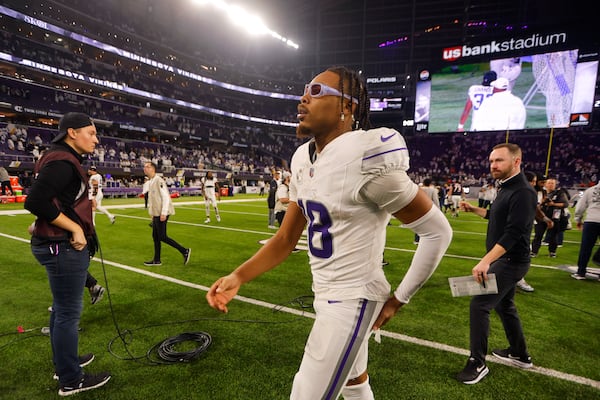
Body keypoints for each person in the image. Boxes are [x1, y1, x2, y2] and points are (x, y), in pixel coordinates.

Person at [206, 66, 452, 400]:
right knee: (355, 383)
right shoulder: (301, 158)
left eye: (318, 91)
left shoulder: (366, 156)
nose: (304, 97)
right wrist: (239, 276)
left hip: (353, 298)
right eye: (306, 89)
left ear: (347, 108)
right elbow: (285, 239)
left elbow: (437, 232)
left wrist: (398, 299)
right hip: (324, 292)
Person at [24, 112, 111, 395]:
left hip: (53, 242)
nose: (96, 139)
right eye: (91, 133)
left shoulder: (57, 156)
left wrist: (45, 221)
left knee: (61, 310)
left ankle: (64, 363)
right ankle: (71, 379)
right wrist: (74, 228)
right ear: (72, 133)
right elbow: (35, 200)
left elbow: (51, 201)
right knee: (67, 314)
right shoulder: (63, 160)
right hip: (62, 246)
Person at [456, 143, 536, 385]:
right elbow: (495, 216)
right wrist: (473, 209)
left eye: (499, 160)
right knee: (505, 306)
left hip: (510, 261)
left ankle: (477, 363)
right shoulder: (506, 187)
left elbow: (513, 233)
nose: (493, 165)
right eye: (491, 160)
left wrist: (485, 261)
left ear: (516, 161)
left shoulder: (523, 191)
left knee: (479, 305)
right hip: (505, 260)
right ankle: (519, 353)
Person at [143, 161, 191, 266]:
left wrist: (163, 212)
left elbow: (165, 197)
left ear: (153, 169)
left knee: (162, 236)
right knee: (155, 236)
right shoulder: (151, 181)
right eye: (144, 167)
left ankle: (184, 251)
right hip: (157, 213)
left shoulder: (158, 180)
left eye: (147, 167)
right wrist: (152, 213)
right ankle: (157, 260)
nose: (144, 168)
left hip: (161, 212)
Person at [516, 171, 554, 292]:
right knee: (521, 255)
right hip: (516, 227)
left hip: (523, 225)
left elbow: (535, 208)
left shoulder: (534, 192)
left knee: (518, 254)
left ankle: (512, 280)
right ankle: (517, 279)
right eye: (538, 181)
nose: (542, 184)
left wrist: (544, 218)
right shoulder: (523, 191)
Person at [532, 177, 569, 258]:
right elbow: (535, 203)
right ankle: (534, 252)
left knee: (553, 236)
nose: (550, 185)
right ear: (545, 184)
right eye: (549, 183)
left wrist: (553, 204)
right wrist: (542, 202)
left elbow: (565, 204)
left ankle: (552, 252)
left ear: (555, 185)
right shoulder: (541, 192)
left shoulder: (560, 193)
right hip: (541, 217)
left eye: (552, 183)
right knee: (538, 235)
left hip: (554, 217)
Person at [572, 183, 600, 280]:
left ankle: (581, 272)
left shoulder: (590, 190)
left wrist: (578, 220)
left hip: (591, 221)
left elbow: (580, 207)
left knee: (586, 248)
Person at [414, 178, 439, 244]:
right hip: (429, 208)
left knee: (419, 224)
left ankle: (417, 240)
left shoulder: (419, 189)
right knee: (429, 225)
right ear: (430, 184)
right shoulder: (433, 190)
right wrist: (438, 209)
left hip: (419, 208)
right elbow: (435, 200)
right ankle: (427, 240)